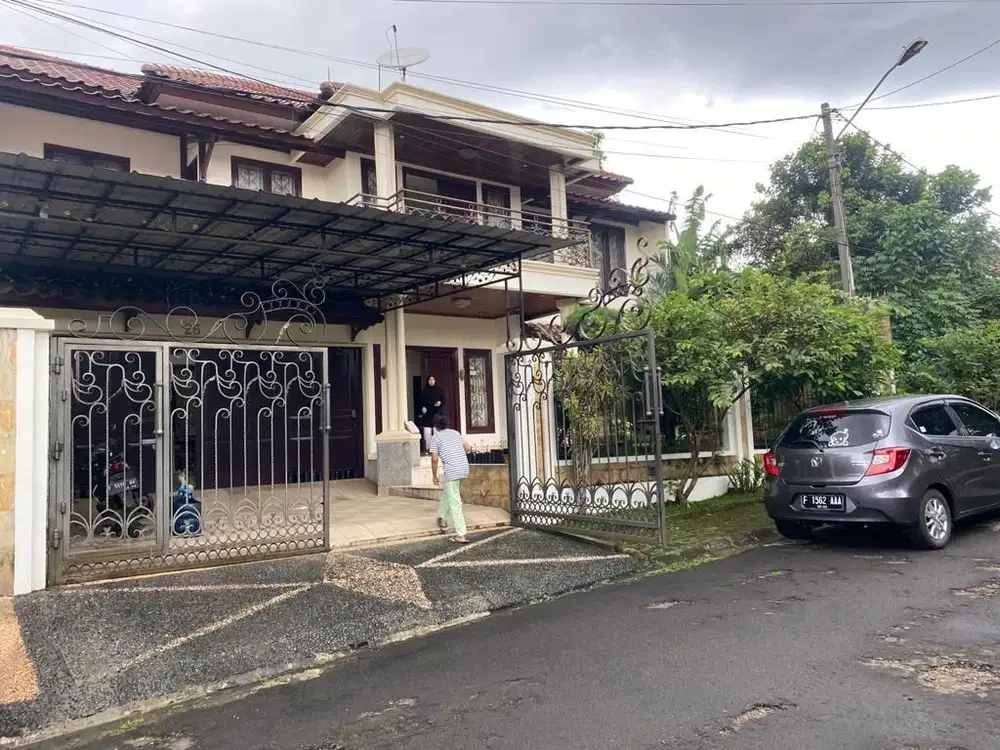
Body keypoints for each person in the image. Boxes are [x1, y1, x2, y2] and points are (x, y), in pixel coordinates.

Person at [428, 413, 472, 544]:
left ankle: (461, 533)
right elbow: (467, 448)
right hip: (464, 469)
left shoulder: (435, 438)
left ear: (435, 426)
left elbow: (435, 459)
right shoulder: (456, 433)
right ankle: (441, 517)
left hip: (452, 471)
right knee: (449, 493)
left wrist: (434, 476)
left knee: (455, 501)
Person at [419, 375, 444, 452]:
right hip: (427, 414)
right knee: (427, 432)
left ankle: (438, 449)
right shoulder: (424, 391)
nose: (431, 381)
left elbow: (443, 400)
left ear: (435, 381)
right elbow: (420, 402)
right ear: (427, 381)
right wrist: (422, 407)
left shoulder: (439, 390)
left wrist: (440, 402)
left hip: (437, 413)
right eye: (430, 379)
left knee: (437, 432)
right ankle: (429, 449)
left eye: (433, 379)